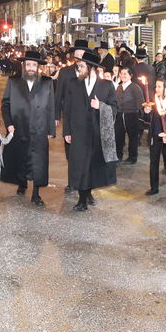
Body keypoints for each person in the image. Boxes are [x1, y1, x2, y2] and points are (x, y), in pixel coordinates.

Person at [61, 50, 118, 212]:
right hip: (78, 131)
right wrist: (67, 131)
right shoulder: (73, 83)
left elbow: (115, 108)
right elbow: (67, 109)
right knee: (80, 164)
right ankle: (82, 199)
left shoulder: (107, 85)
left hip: (97, 133)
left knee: (92, 165)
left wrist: (101, 106)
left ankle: (88, 193)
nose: (79, 69)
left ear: (92, 68)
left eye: (82, 66)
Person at [0, 49, 55, 207]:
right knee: (20, 158)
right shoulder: (13, 81)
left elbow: (51, 106)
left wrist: (50, 129)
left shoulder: (47, 82)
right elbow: (5, 104)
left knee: (38, 162)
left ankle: (36, 193)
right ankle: (21, 183)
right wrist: (9, 123)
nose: (31, 68)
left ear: (38, 67)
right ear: (24, 66)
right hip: (19, 127)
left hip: (39, 128)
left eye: (34, 65)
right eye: (28, 65)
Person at [115, 65, 145, 164]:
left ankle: (132, 157)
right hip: (120, 114)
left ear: (130, 76)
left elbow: (141, 102)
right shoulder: (119, 87)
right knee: (118, 136)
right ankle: (118, 155)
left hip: (132, 114)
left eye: (125, 74)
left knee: (132, 137)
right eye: (121, 73)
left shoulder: (135, 87)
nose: (122, 75)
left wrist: (143, 114)